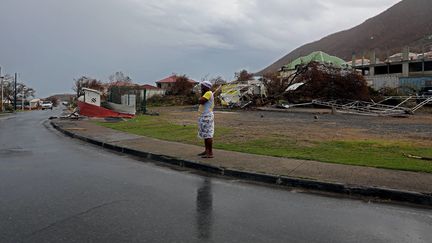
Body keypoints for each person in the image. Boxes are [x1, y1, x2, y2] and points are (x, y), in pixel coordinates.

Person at [197, 81, 214, 158]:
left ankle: (210, 153)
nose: (201, 88)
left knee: (208, 135)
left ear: (206, 87)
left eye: (202, 86)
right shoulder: (207, 93)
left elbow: (201, 101)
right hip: (204, 116)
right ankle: (206, 150)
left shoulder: (208, 93)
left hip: (207, 116)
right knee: (205, 135)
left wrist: (200, 97)